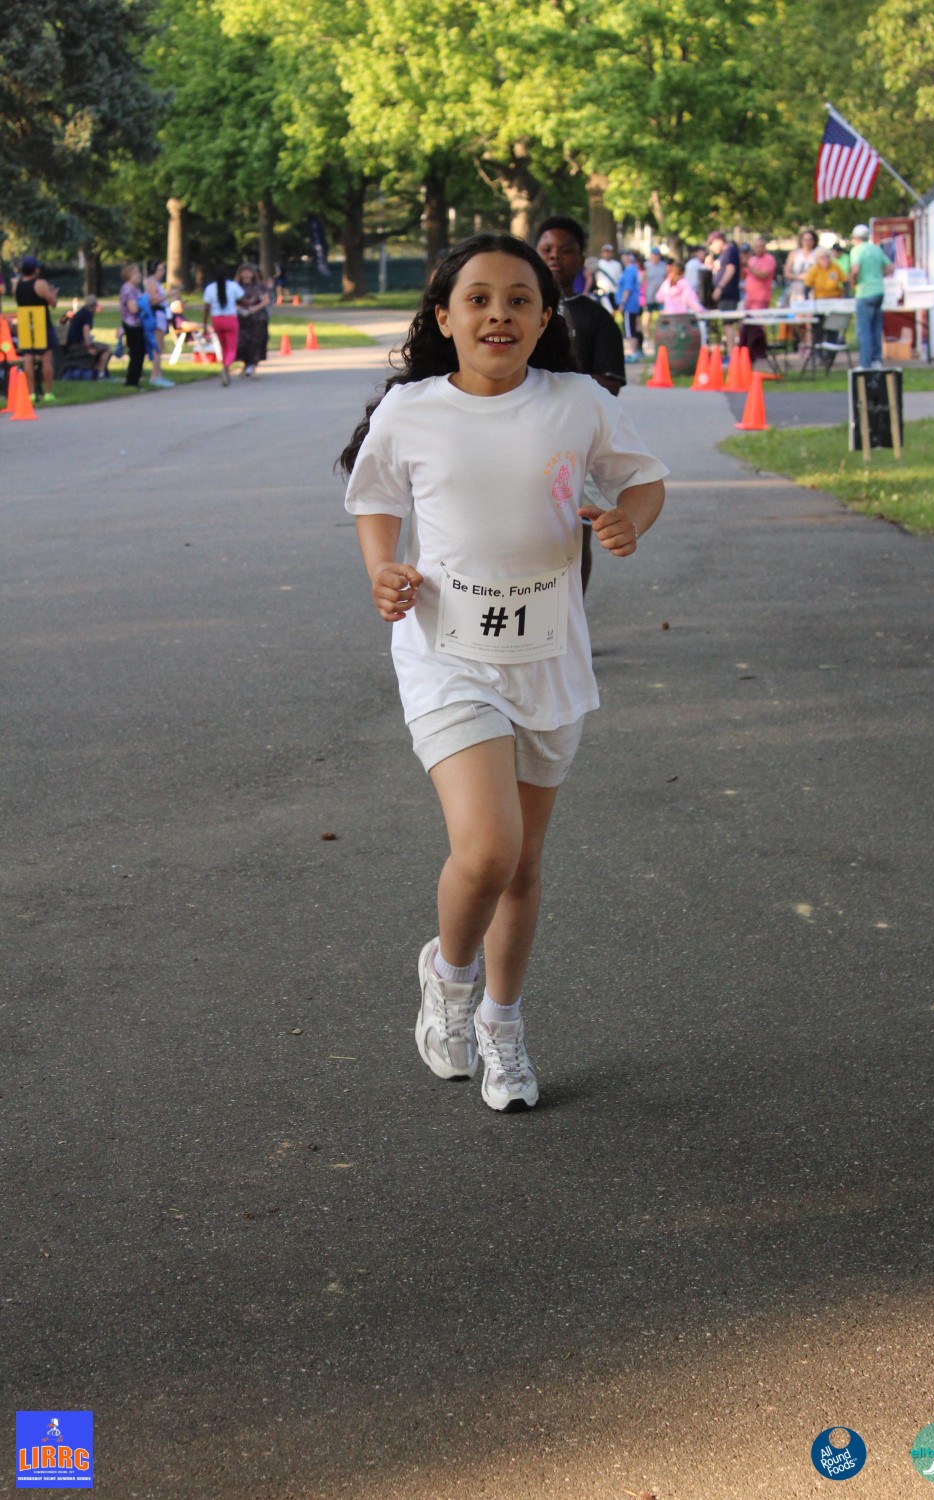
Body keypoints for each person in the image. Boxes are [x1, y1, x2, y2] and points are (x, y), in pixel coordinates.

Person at [338, 232, 666, 1112]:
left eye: (520, 299)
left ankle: (502, 1022)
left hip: (547, 657)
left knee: (522, 866)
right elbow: (376, 499)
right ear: (443, 318)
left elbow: (643, 481)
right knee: (488, 849)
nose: (498, 315)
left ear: (546, 316)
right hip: (446, 654)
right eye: (477, 299)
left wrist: (631, 520)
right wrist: (383, 569)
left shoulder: (578, 403)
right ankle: (449, 979)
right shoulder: (412, 410)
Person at [536, 215, 627, 594]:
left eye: (565, 250)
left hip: (575, 446)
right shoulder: (522, 312)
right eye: (546, 249)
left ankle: (572, 612)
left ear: (581, 258)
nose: (555, 257)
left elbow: (611, 382)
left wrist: (564, 390)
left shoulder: (596, 317)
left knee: (576, 530)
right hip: (525, 437)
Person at [15, 256, 59, 403]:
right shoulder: (40, 284)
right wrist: (53, 294)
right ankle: (48, 392)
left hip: (25, 324)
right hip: (41, 323)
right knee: (46, 358)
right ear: (35, 269)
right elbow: (53, 303)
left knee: (28, 358)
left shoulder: (18, 285)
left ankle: (31, 393)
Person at [849, 223, 892, 368]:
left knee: (864, 329)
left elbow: (855, 269)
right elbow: (890, 267)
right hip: (879, 291)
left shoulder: (856, 250)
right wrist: (878, 276)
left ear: (855, 238)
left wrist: (853, 283)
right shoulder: (876, 249)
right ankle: (877, 360)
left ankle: (865, 363)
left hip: (864, 292)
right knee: (876, 328)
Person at [202, 267, 244, 386]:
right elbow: (242, 299)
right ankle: (225, 367)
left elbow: (206, 307)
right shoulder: (233, 286)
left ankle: (226, 371)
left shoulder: (210, 288)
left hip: (216, 319)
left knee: (223, 347)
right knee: (232, 349)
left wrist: (204, 323)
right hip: (230, 318)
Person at [63, 294, 112, 378]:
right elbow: (85, 330)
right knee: (107, 348)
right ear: (94, 306)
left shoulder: (82, 312)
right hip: (77, 344)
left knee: (99, 347)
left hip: (72, 343)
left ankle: (97, 370)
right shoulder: (88, 314)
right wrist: (89, 347)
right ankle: (100, 373)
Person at [708, 230, 741, 354]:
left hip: (728, 294)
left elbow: (730, 270)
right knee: (726, 323)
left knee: (728, 324)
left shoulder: (729, 251)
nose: (711, 247)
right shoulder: (724, 254)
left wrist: (720, 287)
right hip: (725, 295)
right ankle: (731, 352)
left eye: (712, 243)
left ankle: (732, 353)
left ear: (719, 241)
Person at [235, 264, 271, 376]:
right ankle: (246, 364)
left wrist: (255, 308)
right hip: (242, 318)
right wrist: (239, 308)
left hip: (258, 318)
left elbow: (266, 300)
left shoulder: (260, 286)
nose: (246, 274)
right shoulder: (236, 287)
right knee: (242, 343)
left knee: (257, 342)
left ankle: (253, 366)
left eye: (248, 272)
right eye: (244, 272)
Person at [144, 261, 174, 389]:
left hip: (161, 315)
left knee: (160, 346)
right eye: (160, 269)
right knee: (157, 346)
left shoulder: (155, 283)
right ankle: (155, 376)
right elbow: (153, 300)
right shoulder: (151, 282)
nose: (162, 272)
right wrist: (168, 295)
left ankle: (158, 374)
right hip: (156, 315)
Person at [118, 263, 146, 389]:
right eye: (136, 273)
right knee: (136, 352)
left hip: (138, 325)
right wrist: (144, 303)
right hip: (131, 325)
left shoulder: (136, 289)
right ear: (129, 275)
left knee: (140, 352)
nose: (139, 275)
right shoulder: (128, 289)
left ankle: (136, 379)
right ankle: (131, 381)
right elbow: (133, 308)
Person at [615, 249, 643, 361]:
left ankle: (632, 353)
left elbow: (628, 288)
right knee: (632, 328)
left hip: (629, 304)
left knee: (629, 329)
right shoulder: (630, 269)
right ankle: (635, 352)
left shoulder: (630, 270)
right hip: (632, 304)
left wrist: (622, 302)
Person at [742, 235, 776, 311]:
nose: (759, 249)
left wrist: (748, 266)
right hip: (749, 297)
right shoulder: (752, 259)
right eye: (757, 247)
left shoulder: (769, 259)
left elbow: (763, 275)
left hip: (760, 297)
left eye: (761, 247)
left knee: (757, 318)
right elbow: (744, 275)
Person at [642, 246, 667, 340]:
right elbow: (642, 280)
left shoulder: (663, 265)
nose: (655, 257)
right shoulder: (646, 266)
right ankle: (646, 337)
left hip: (661, 296)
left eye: (657, 255)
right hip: (649, 295)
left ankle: (662, 336)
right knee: (647, 315)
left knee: (662, 315)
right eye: (654, 255)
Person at [594, 242, 622, 312]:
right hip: (602, 292)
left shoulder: (617, 265)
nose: (607, 254)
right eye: (605, 252)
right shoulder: (598, 264)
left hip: (614, 292)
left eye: (609, 252)